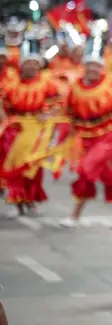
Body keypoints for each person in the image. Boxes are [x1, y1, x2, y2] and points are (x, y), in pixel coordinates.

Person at [61, 24, 112, 228]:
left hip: (110, 136)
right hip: (88, 138)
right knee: (104, 173)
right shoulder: (76, 87)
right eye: (89, 65)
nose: (93, 69)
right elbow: (70, 112)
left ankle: (75, 215)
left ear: (102, 67)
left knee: (87, 169)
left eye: (96, 66)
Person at [0, 35, 62, 216]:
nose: (31, 67)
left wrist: (47, 114)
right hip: (16, 130)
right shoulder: (11, 85)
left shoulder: (48, 83)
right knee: (17, 166)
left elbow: (57, 104)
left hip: (38, 129)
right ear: (22, 66)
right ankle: (18, 200)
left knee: (34, 167)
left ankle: (31, 199)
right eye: (28, 64)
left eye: (35, 64)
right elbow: (4, 106)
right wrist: (7, 120)